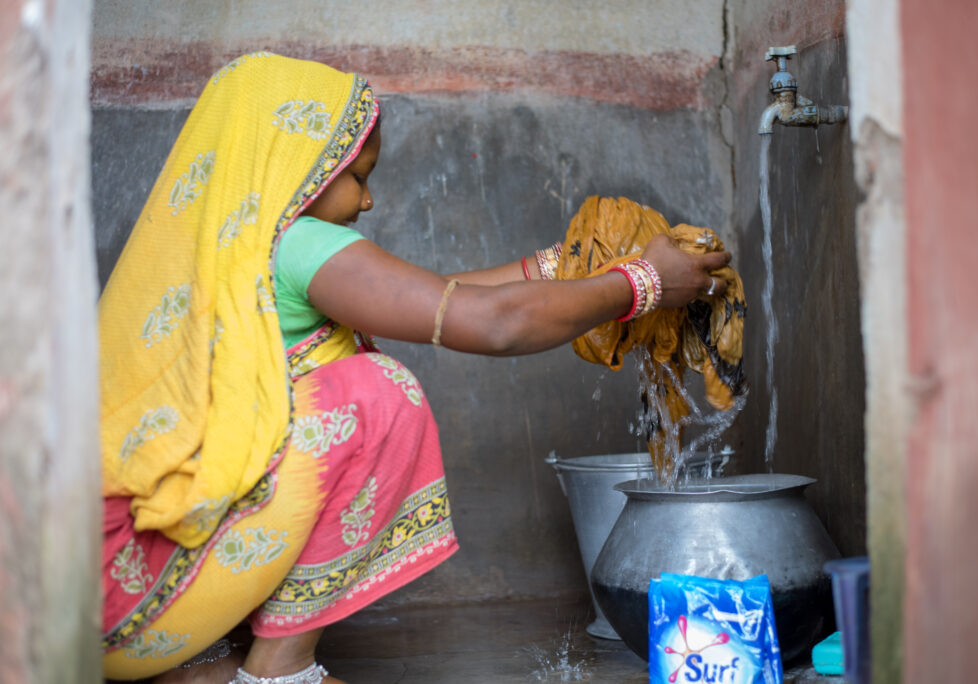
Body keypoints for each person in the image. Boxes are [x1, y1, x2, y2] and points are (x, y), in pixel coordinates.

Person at [99, 53, 731, 684]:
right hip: (150, 596)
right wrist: (642, 283)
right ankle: (282, 673)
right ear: (301, 165)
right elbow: (492, 323)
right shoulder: (299, 241)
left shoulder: (224, 250)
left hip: (100, 599)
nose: (368, 200)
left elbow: (426, 295)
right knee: (379, 396)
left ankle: (199, 665)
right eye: (358, 175)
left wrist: (563, 267)